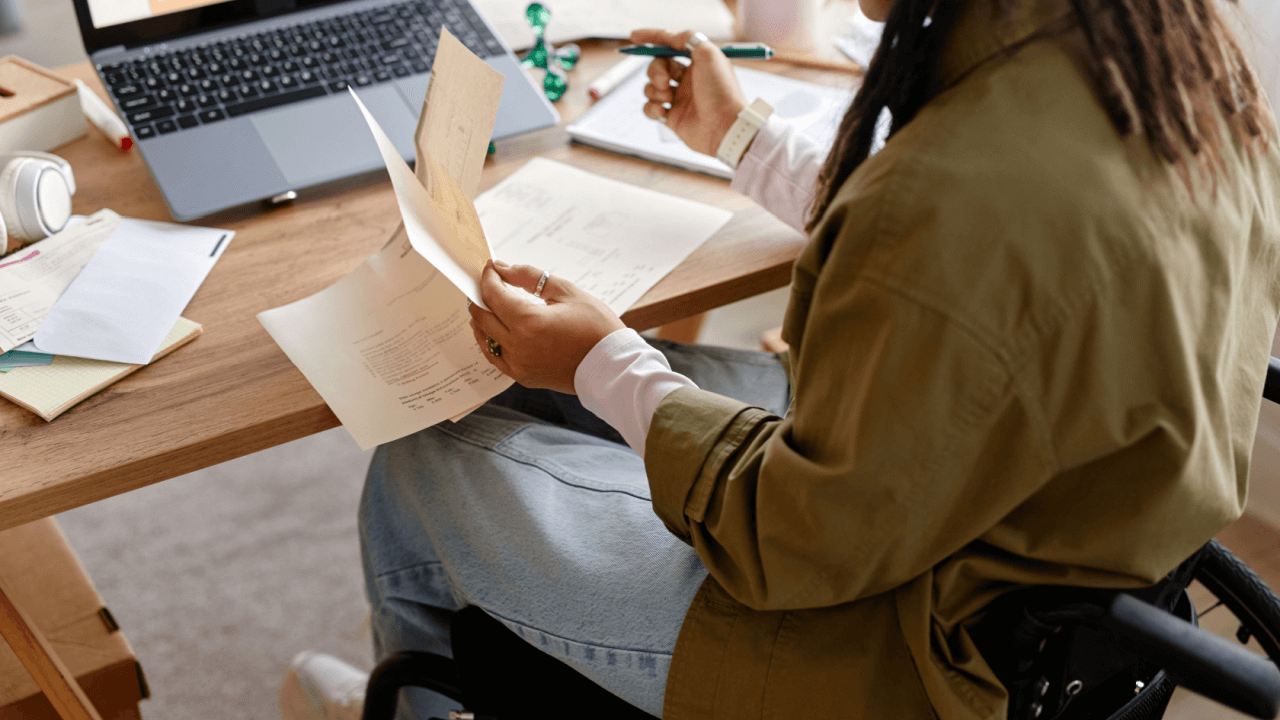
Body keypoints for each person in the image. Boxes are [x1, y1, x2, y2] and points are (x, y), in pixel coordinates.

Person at [280, 0, 1280, 717]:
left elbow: (786, 540)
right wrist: (741, 137)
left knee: (423, 461)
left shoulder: (949, 196)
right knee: (518, 399)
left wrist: (606, 365)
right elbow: (984, 271)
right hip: (1042, 549)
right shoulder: (1165, 57)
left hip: (899, 642)